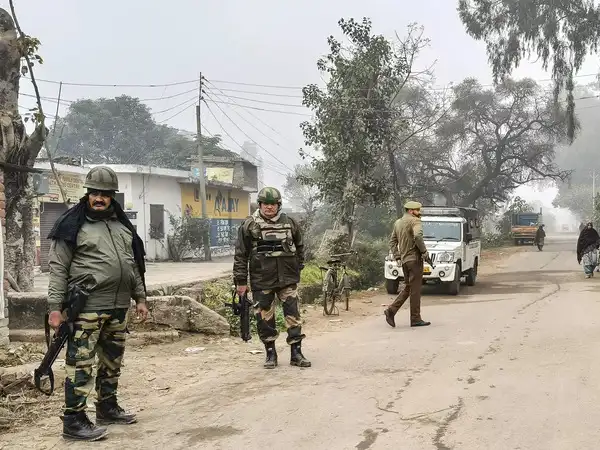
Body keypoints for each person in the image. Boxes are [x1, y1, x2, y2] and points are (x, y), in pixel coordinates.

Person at [47, 166, 148, 441]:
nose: (99, 198)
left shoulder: (121, 226)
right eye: (94, 193)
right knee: (81, 364)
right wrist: (55, 307)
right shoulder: (72, 225)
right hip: (86, 307)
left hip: (118, 307)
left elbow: (132, 265)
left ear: (112, 196)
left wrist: (140, 298)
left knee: (112, 361)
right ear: (87, 194)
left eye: (105, 193)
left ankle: (107, 407)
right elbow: (58, 269)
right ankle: (74, 420)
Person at [233, 187, 310, 370]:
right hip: (262, 280)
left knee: (293, 316)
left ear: (278, 205)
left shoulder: (289, 222)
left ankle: (296, 354)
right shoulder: (249, 225)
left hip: (287, 279)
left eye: (273, 204)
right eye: (265, 204)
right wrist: (241, 282)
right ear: (260, 205)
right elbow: (241, 255)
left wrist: (298, 266)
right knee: (265, 318)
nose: (269, 207)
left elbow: (300, 247)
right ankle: (270, 354)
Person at [384, 201, 431, 328]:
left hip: (405, 260)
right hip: (415, 260)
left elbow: (392, 242)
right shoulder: (415, 221)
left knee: (408, 288)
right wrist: (424, 252)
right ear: (411, 211)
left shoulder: (398, 223)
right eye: (417, 210)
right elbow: (418, 236)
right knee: (415, 290)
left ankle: (391, 310)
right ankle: (415, 318)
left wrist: (397, 256)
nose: (419, 212)